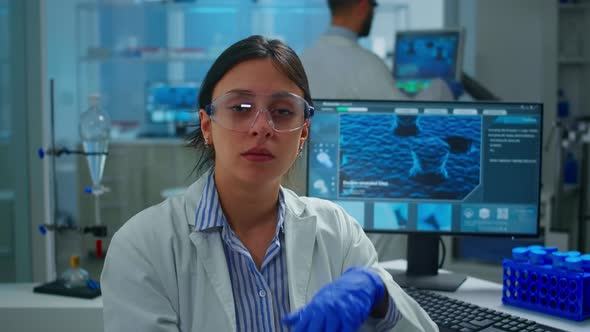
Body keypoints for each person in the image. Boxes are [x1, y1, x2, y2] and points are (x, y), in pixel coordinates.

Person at [101, 35, 437, 331]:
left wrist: (378, 293)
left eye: (282, 111)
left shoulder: (338, 231)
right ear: (207, 126)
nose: (262, 127)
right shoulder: (142, 246)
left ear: (304, 132)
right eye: (241, 107)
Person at [301, 0, 453, 101]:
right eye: (374, 7)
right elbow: (405, 113)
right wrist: (441, 87)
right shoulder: (366, 64)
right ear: (363, 7)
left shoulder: (303, 59)